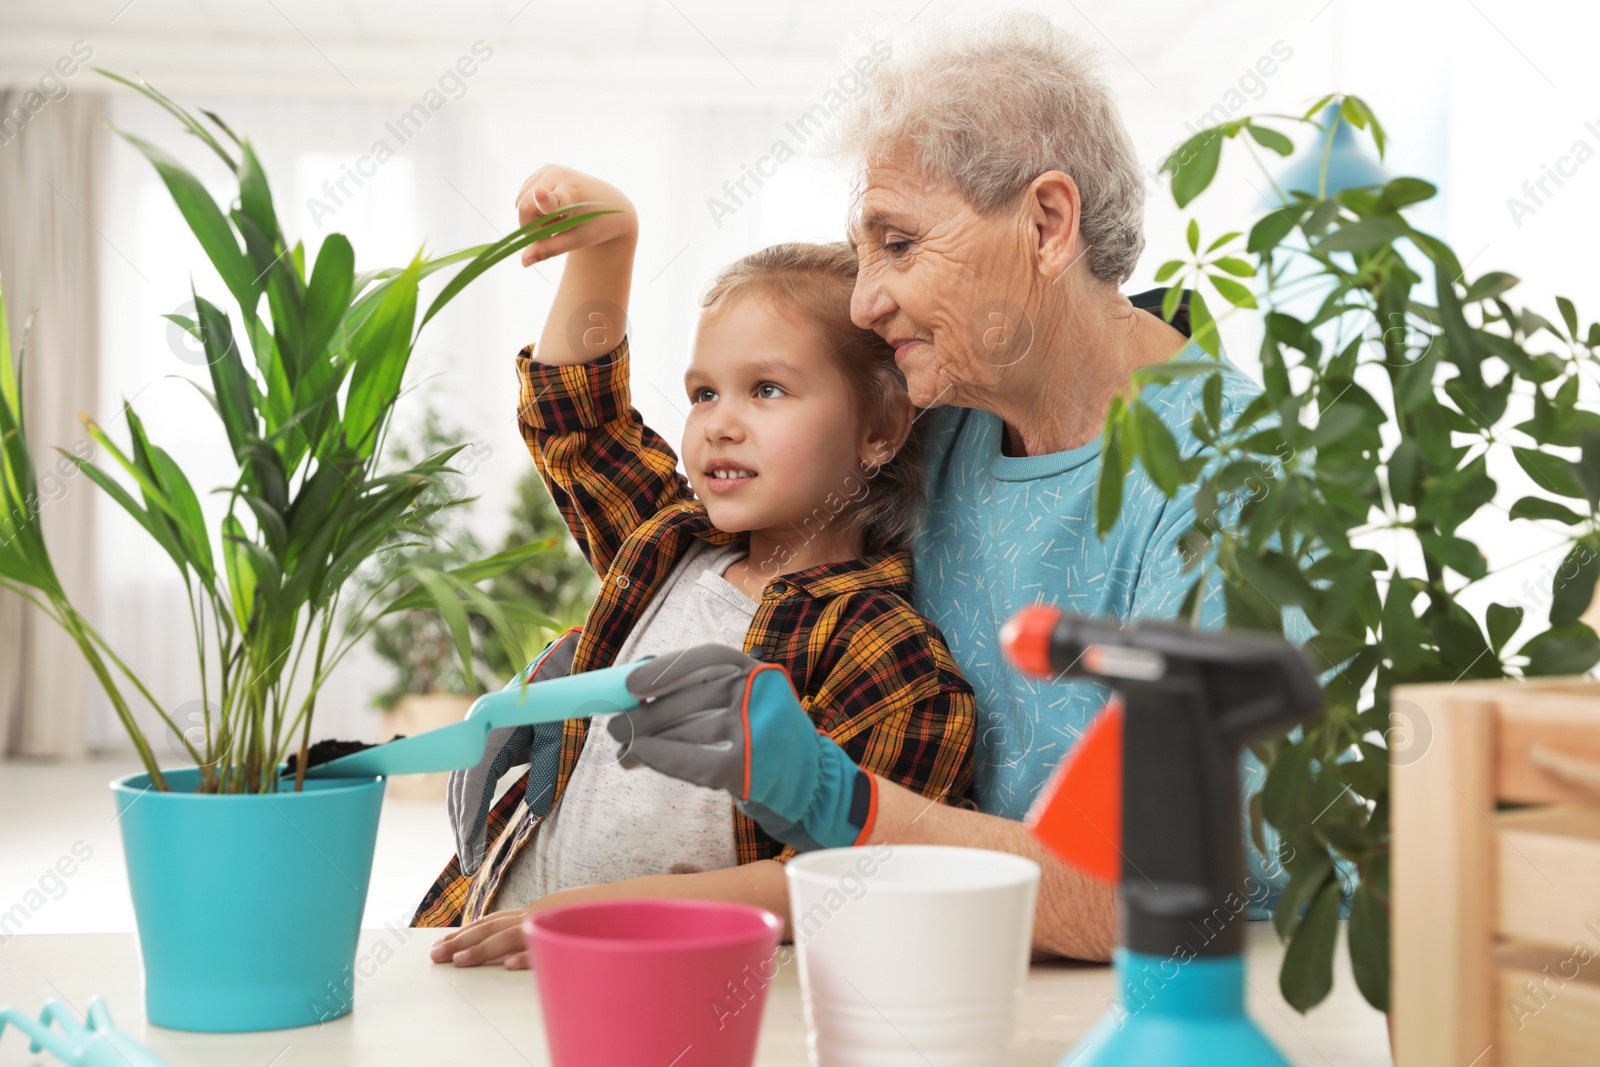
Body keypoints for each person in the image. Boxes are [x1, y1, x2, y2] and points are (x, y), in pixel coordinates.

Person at [598, 12, 1302, 963]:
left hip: (1188, 995)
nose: (862, 301)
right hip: (964, 959)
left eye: (898, 244)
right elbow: (720, 500)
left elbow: (1149, 890)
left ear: (1048, 224)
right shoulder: (948, 416)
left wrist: (826, 794)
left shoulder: (1230, 474)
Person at [417, 165, 976, 969]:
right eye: (703, 392)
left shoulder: (886, 654)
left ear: (881, 428)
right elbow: (580, 422)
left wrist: (612, 915)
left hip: (662, 985)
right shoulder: (666, 544)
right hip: (490, 937)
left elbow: (860, 875)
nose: (719, 424)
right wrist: (609, 245)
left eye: (768, 389)